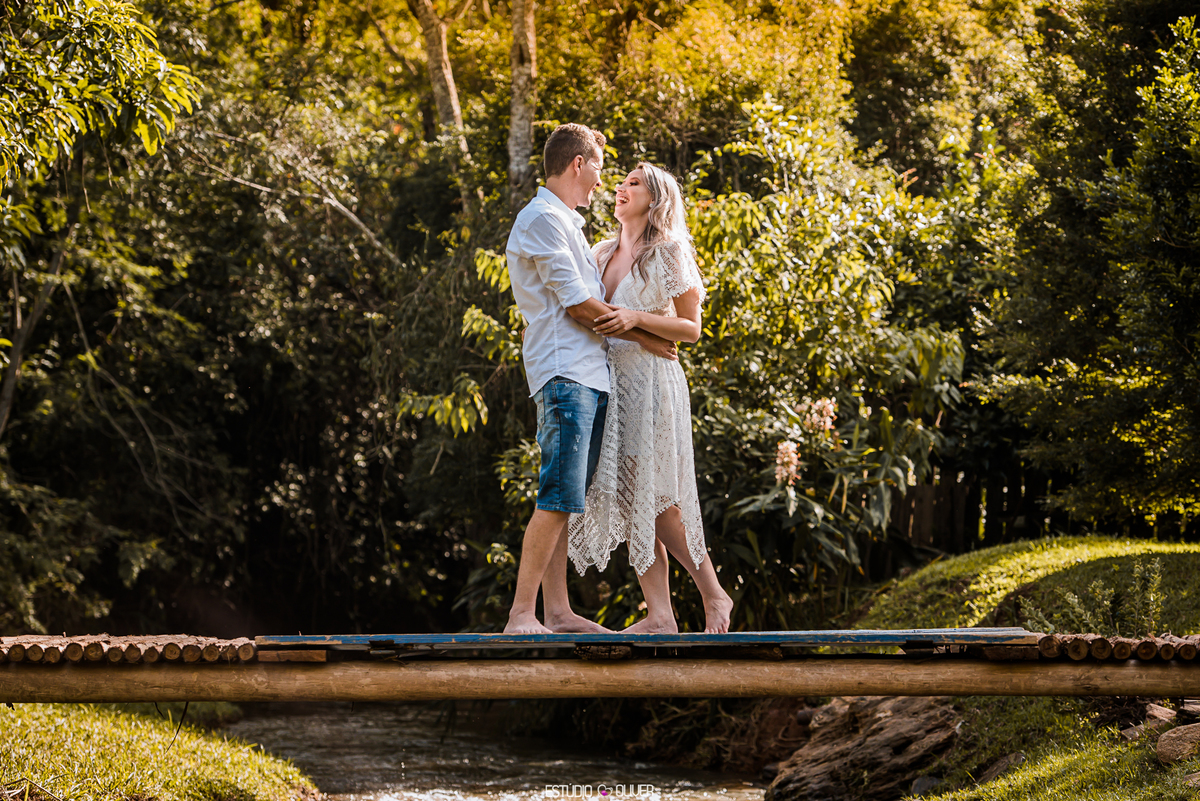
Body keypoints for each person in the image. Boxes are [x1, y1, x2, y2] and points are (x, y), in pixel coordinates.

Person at [503, 126, 679, 635]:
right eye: (601, 167)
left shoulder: (567, 224)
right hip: (565, 375)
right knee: (558, 495)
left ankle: (557, 613)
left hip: (589, 374)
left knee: (568, 499)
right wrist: (645, 338)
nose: (603, 181)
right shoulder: (540, 220)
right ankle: (521, 615)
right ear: (578, 164)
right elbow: (579, 303)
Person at [567, 162, 734, 634]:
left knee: (656, 499)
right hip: (608, 381)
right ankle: (660, 615)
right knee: (631, 500)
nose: (620, 188)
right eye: (620, 183)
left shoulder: (669, 252)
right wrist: (636, 331)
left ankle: (714, 594)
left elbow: (691, 329)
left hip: (652, 386)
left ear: (656, 198)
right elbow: (586, 314)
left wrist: (637, 323)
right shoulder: (598, 253)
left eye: (633, 184)